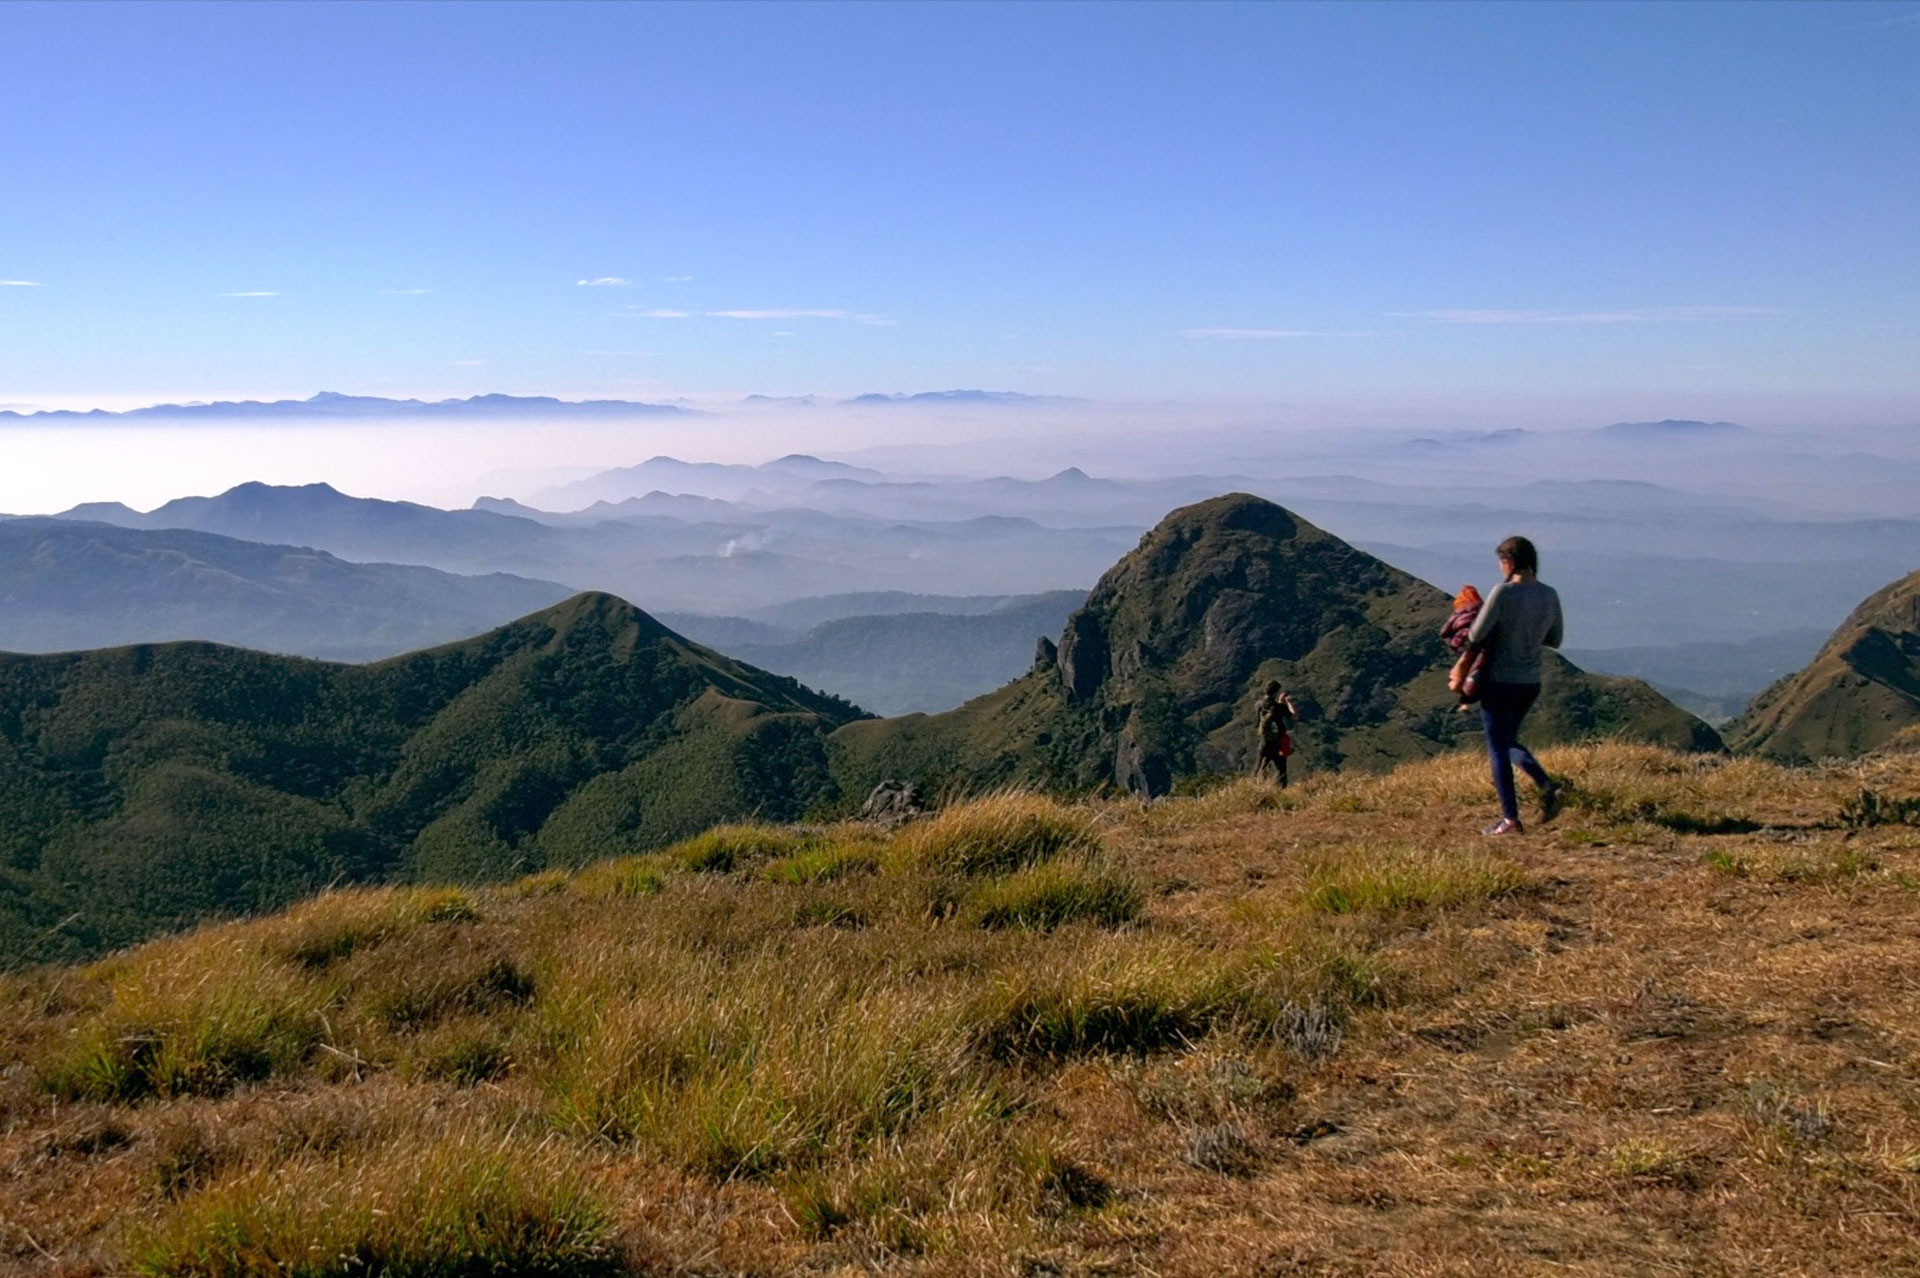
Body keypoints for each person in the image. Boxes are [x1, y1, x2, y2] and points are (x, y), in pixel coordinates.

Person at [1461, 536, 1566, 836]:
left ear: (1509, 561)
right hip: (1530, 682)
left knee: (1499, 747)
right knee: (1508, 741)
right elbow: (1554, 639)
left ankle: (1511, 818)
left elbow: (1476, 634)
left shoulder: (1503, 592)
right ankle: (1547, 787)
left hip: (1498, 681)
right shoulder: (1550, 594)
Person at [1441, 583, 1489, 708]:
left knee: (1469, 666)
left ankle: (1465, 696)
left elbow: (1445, 632)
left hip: (1468, 646)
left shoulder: (1459, 613)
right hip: (1475, 648)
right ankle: (1466, 696)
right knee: (1475, 666)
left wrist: (1454, 644)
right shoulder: (1483, 616)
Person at [1252, 681, 1299, 787]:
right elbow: (1294, 717)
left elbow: (1257, 722)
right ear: (1276, 692)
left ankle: (1255, 787)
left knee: (1259, 768)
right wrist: (1288, 702)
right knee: (1281, 771)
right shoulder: (1279, 707)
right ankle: (1281, 790)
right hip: (1277, 743)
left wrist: (1280, 702)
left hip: (1263, 742)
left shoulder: (1258, 705)